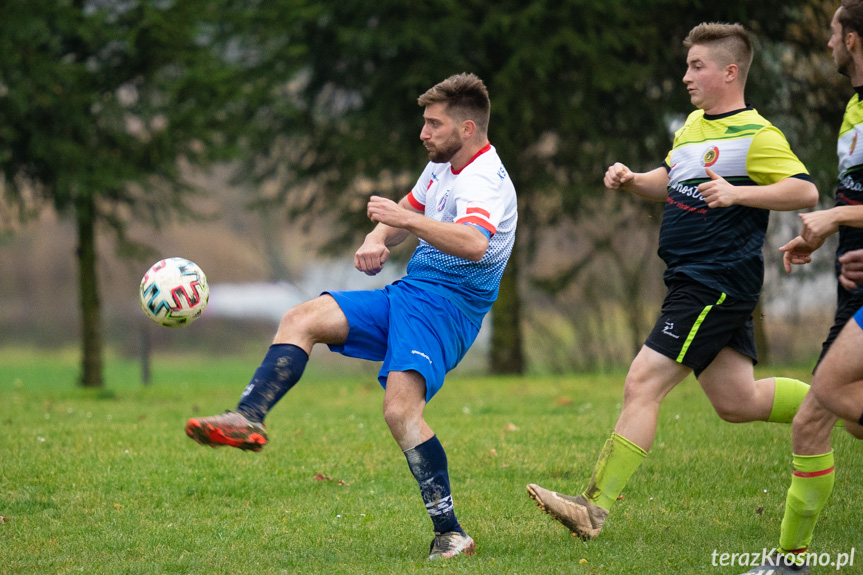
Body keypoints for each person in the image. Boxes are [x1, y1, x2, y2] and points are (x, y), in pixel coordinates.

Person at [184, 72, 517, 561]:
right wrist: (377, 238)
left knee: (400, 413)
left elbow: (473, 243)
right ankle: (246, 417)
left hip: (447, 310)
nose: (423, 133)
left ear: (468, 128)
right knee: (302, 318)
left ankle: (451, 533)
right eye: (423, 123)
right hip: (410, 293)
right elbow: (408, 207)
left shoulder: (486, 180)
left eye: (433, 124)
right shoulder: (443, 166)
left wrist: (404, 222)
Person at [526, 22, 819, 542]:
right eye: (687, 65)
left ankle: (592, 509)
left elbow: (804, 192)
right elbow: (672, 180)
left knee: (642, 382)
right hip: (689, 278)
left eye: (697, 66)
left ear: (730, 72)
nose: (686, 75)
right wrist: (633, 180)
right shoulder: (692, 126)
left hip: (716, 282)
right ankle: (838, 403)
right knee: (737, 402)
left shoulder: (759, 135)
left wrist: (739, 195)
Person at [738, 5, 863, 571]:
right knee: (836, 421)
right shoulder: (854, 107)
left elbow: (843, 205)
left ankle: (789, 562)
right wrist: (832, 235)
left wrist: (834, 218)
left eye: (834, 33)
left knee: (823, 404)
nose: (828, 43)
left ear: (854, 39)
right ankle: (791, 562)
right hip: (853, 279)